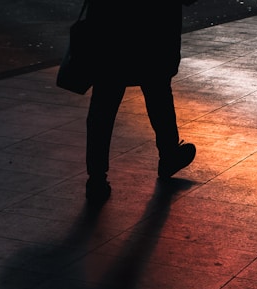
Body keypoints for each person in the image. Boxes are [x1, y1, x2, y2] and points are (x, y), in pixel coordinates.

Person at [84, 0, 197, 204]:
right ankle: (169, 155)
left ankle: (96, 177)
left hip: (111, 35)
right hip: (154, 34)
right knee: (158, 94)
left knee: (103, 105)